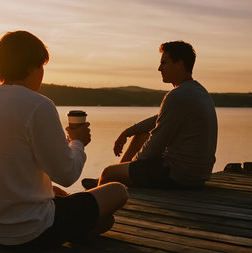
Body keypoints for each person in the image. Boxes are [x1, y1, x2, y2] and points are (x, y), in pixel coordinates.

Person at [0, 31, 128, 251]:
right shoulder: (39, 105)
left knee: (56, 191)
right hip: (27, 233)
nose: (42, 74)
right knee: (117, 192)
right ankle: (79, 230)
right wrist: (77, 142)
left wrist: (45, 189)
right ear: (32, 66)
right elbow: (67, 174)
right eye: (41, 66)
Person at [83, 41, 217, 189]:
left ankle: (106, 191)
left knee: (108, 172)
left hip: (179, 175)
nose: (159, 68)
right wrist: (128, 132)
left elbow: (156, 143)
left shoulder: (177, 96)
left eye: (164, 63)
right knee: (140, 136)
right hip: (198, 173)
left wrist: (133, 167)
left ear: (179, 63)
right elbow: (159, 119)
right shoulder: (197, 91)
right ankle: (116, 181)